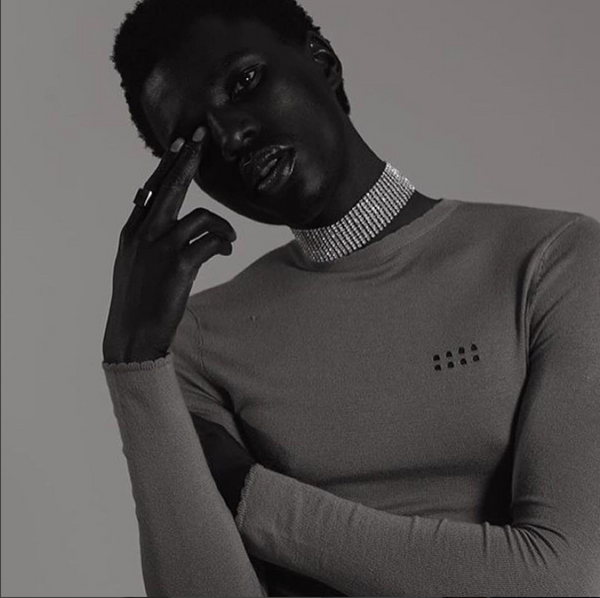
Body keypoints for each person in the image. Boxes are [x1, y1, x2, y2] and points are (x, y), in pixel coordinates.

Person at [102, 0, 600, 596]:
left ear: (322, 60)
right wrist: (133, 362)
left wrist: (247, 495)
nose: (230, 136)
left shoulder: (553, 260)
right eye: (194, 141)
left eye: (244, 82)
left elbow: (567, 579)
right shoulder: (195, 341)